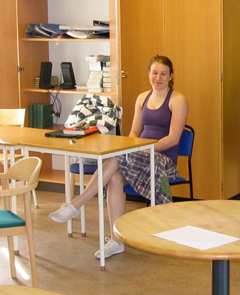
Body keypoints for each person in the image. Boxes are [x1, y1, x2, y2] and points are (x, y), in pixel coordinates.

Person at [49, 56, 188, 259]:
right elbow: (134, 132)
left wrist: (143, 149)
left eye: (163, 74)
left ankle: (76, 204)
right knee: (114, 177)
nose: (158, 78)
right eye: (154, 73)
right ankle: (116, 241)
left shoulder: (178, 100)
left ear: (170, 76)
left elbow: (173, 139)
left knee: (115, 158)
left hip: (162, 160)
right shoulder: (142, 98)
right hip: (137, 154)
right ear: (149, 74)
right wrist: (132, 147)